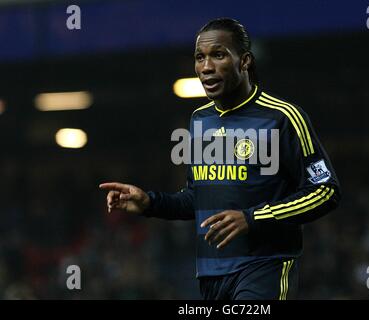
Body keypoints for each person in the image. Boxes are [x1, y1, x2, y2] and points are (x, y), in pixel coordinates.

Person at [99, 17, 340, 300]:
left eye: (218, 55)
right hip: (211, 275)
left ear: (245, 61)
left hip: (265, 268)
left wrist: (253, 217)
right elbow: (198, 197)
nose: (206, 67)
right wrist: (151, 202)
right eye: (199, 58)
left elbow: (325, 190)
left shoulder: (282, 117)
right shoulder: (199, 120)